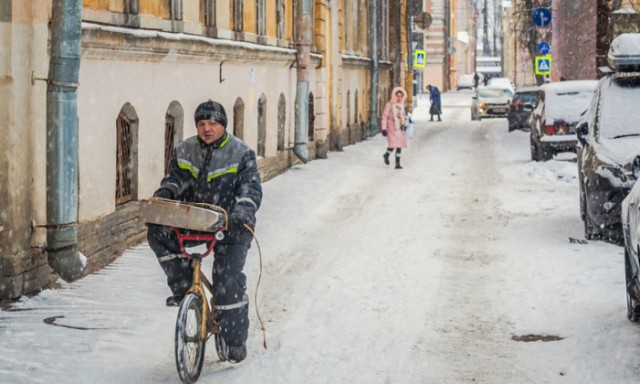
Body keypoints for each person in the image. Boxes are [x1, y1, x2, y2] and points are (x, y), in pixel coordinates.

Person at [147, 99, 262, 364]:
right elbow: (175, 178)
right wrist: (167, 192)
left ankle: (234, 341)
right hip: (195, 220)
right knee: (157, 231)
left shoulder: (241, 152)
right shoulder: (185, 149)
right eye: (201, 124)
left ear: (223, 125)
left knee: (227, 282)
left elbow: (250, 189)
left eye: (212, 123)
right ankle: (185, 287)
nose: (207, 129)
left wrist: (242, 213)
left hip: (231, 226)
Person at [381, 86, 408, 169]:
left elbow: (404, 116)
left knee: (399, 145)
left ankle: (397, 163)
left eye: (401, 96)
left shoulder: (402, 106)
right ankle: (386, 155)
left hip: (399, 128)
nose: (399, 98)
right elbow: (384, 117)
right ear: (394, 96)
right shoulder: (389, 105)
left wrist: (403, 121)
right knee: (392, 145)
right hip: (391, 128)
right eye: (398, 96)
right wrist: (384, 128)